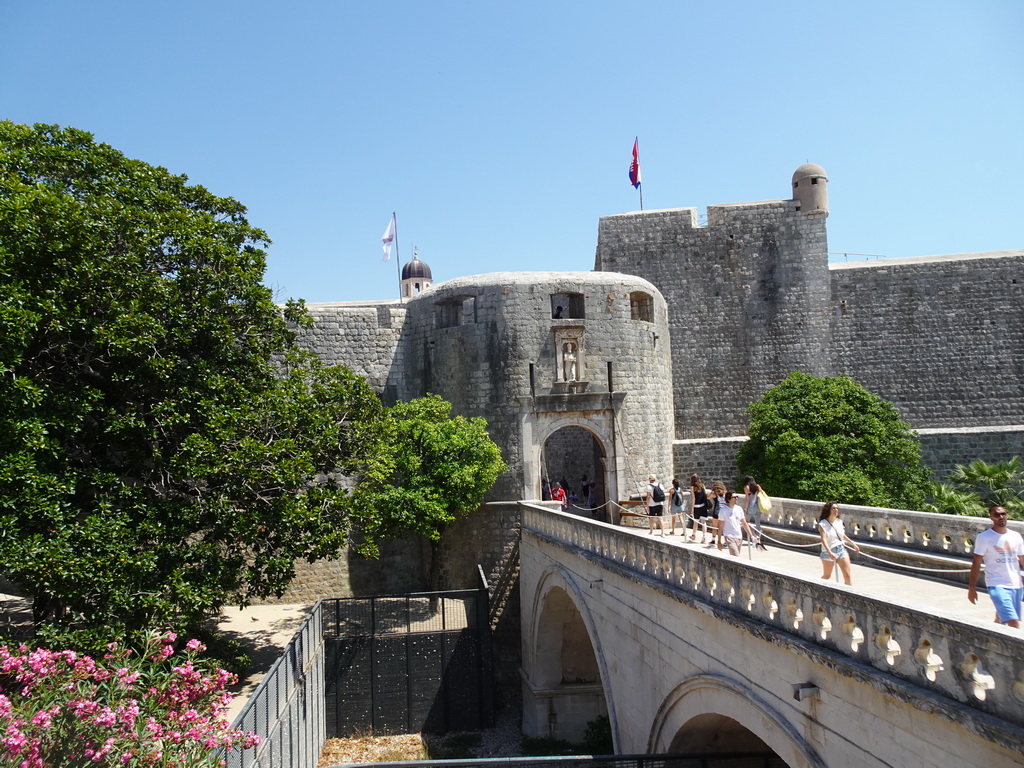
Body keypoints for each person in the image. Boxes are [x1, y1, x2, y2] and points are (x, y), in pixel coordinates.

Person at [968, 506, 1024, 628]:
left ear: (1007, 516)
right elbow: (976, 563)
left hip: (1016, 584)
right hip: (996, 583)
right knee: (1012, 620)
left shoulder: (1016, 536)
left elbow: (1022, 559)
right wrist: (972, 588)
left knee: (1002, 615)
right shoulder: (984, 537)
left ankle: (995, 627)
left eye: (1003, 514)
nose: (1001, 517)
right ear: (991, 518)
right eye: (997, 515)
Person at [818, 501, 860, 585]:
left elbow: (841, 535)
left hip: (841, 549)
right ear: (828, 510)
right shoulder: (823, 524)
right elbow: (824, 540)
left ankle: (849, 596)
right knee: (827, 576)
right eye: (833, 508)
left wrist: (852, 543)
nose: (836, 510)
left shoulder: (839, 522)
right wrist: (830, 552)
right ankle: (815, 587)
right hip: (828, 552)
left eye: (837, 508)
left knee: (847, 576)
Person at [720, 491, 755, 556]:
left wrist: (751, 536)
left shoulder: (739, 509)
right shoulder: (723, 510)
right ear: (728, 499)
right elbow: (721, 526)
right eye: (734, 497)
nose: (736, 498)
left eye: (737, 497)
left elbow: (744, 523)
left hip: (739, 536)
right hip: (729, 536)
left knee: (736, 558)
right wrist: (719, 541)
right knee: (736, 556)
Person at [743, 476, 767, 550]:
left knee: (746, 522)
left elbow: (747, 499)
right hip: (758, 506)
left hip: (751, 506)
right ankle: (758, 538)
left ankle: (754, 536)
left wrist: (745, 508)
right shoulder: (757, 486)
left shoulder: (747, 487)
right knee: (758, 524)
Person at [688, 474, 710, 542]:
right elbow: (705, 495)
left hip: (697, 506)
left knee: (696, 522)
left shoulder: (692, 487)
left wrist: (692, 509)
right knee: (703, 522)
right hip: (703, 506)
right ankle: (704, 537)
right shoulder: (702, 486)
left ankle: (694, 535)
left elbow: (693, 499)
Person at [709, 480, 726, 549]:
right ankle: (725, 541)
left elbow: (708, 497)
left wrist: (711, 493)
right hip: (724, 512)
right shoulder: (725, 493)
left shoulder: (715, 494)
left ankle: (713, 540)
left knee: (715, 527)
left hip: (716, 512)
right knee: (723, 528)